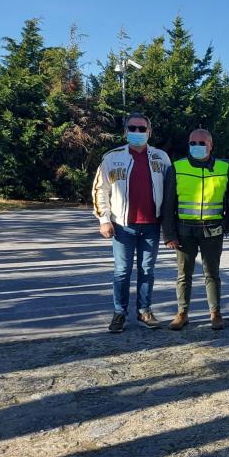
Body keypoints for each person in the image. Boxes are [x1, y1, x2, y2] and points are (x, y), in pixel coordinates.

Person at [92, 112, 173, 333]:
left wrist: (169, 226)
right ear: (125, 131)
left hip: (151, 225)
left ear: (149, 131)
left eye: (141, 128)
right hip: (122, 225)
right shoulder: (112, 157)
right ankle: (119, 313)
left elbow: (170, 192)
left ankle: (144, 310)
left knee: (147, 270)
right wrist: (104, 220)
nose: (137, 132)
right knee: (122, 271)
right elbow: (101, 190)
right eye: (132, 128)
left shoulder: (161, 157)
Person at [162, 128, 229, 331]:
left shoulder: (223, 168)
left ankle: (215, 314)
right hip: (185, 231)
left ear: (211, 145)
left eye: (202, 143)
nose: (197, 147)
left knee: (212, 274)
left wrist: (226, 226)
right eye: (193, 143)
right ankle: (182, 313)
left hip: (212, 230)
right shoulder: (177, 167)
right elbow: (168, 204)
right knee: (184, 274)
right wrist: (169, 234)